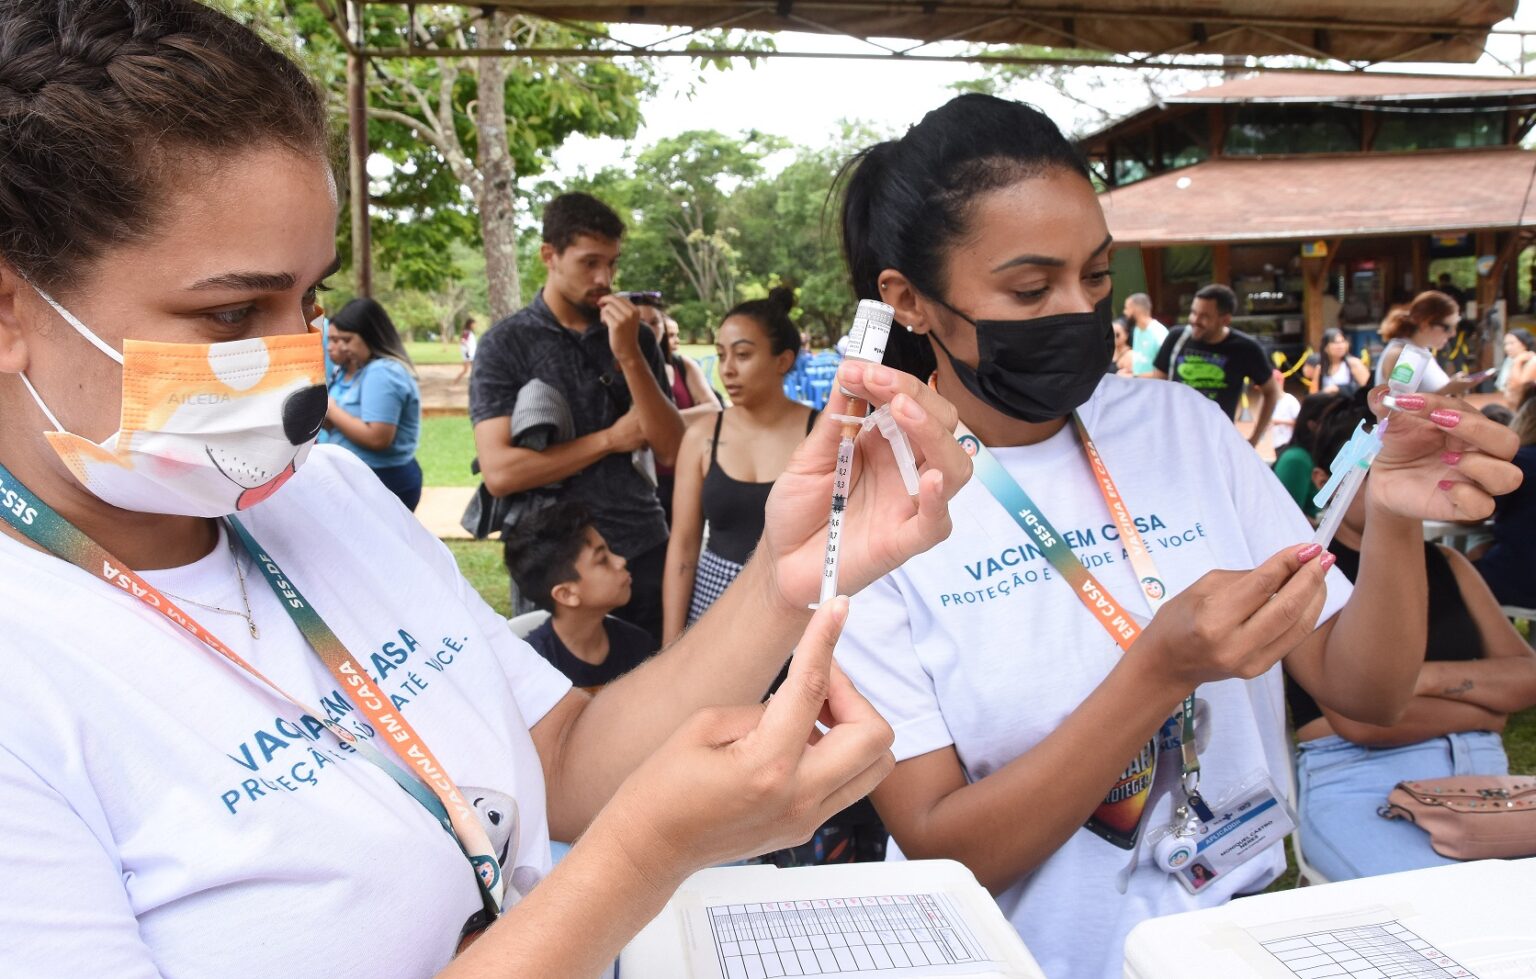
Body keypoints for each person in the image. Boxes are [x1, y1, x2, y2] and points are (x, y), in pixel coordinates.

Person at [0, 4, 977, 975]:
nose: (298, 371)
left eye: (306, 301)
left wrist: (785, 573)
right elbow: (613, 830)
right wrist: (645, 855)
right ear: (11, 310)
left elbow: (559, 760)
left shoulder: (329, 498)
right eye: (229, 313)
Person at [830, 93, 1519, 979]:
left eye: (1097, 276)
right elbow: (939, 844)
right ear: (910, 301)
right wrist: (1159, 669)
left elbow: (1365, 692)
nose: (1080, 313)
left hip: (1230, 945)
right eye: (1031, 289)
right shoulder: (873, 505)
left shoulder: (1179, 427)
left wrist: (1389, 512)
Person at [1290, 400, 1536, 881]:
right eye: (1372, 468)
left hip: (1486, 783)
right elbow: (1361, 722)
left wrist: (1419, 679)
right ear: (1325, 479)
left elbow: (1527, 678)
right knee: (1451, 927)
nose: (1389, 480)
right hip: (1360, 781)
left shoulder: (1447, 565)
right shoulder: (1307, 572)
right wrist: (1488, 705)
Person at [470, 193, 684, 647]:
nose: (604, 279)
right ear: (550, 255)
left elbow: (672, 448)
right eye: (589, 263)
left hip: (640, 546)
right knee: (569, 702)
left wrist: (628, 354)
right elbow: (501, 472)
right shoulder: (505, 345)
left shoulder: (635, 337)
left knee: (655, 685)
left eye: (612, 263)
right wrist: (610, 439)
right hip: (557, 563)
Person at [662, 287, 819, 644]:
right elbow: (684, 548)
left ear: (783, 360)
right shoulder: (703, 436)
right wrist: (670, 644)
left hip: (798, 612)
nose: (727, 370)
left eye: (743, 354)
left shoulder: (821, 434)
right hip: (715, 608)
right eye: (720, 355)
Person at [503, 502, 654, 692]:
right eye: (602, 560)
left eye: (610, 551)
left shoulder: (638, 645)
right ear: (566, 594)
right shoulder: (533, 667)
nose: (621, 561)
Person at [320, 297, 424, 511]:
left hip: (383, 477)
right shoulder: (360, 370)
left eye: (347, 340)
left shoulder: (383, 372)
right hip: (361, 476)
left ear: (369, 336)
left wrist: (330, 408)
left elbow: (378, 438)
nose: (341, 347)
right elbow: (344, 426)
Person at [1152, 284, 1283, 447]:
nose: (1195, 320)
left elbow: (1272, 391)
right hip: (1174, 438)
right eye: (1193, 313)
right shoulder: (1176, 338)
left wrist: (1255, 438)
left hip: (1217, 443)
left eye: (1204, 316)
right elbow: (1156, 388)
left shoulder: (1246, 348)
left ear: (1225, 320)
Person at [1475, 395, 1536, 608]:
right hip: (1521, 569)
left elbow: (1478, 512)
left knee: (1453, 571)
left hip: (1519, 577)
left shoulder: (1520, 462)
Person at [1374, 291, 1479, 396]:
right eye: (1447, 328)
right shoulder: (1403, 355)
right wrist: (1447, 390)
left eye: (1455, 326)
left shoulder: (1420, 350)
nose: (1453, 334)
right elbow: (1397, 404)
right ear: (1425, 325)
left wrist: (1452, 386)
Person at [1272, 392, 1343, 517]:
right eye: (1331, 421)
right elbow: (1288, 516)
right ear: (1312, 425)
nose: (1338, 427)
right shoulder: (1296, 460)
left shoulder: (1312, 457)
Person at [1304, 327, 1369, 397]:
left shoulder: (1354, 363)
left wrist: (1339, 389)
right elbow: (1314, 394)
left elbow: (1367, 390)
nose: (1340, 346)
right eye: (1335, 343)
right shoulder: (1320, 367)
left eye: (1342, 342)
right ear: (1325, 347)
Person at [1122, 292, 1167, 376]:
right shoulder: (1137, 330)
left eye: (1127, 308)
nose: (1125, 312)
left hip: (1155, 387)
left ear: (1135, 309)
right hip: (1140, 385)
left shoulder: (1159, 332)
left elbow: (1165, 372)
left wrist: (1134, 377)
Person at [1496, 327, 1536, 409]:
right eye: (1506, 344)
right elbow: (1503, 387)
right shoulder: (1509, 360)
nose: (1507, 348)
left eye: (1511, 343)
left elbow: (1519, 388)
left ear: (1524, 344)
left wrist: (1517, 363)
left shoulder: (1533, 361)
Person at [453, 316, 477, 383]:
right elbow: (463, 340)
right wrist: (467, 349)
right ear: (470, 324)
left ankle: (457, 380)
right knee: (468, 369)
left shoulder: (469, 332)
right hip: (469, 353)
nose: (475, 325)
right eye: (474, 324)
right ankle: (456, 380)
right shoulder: (467, 332)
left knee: (472, 368)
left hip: (470, 353)